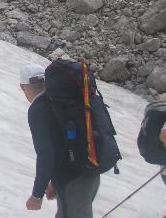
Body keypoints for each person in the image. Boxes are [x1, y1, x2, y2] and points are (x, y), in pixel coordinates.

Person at [20, 63, 100, 218]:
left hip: (73, 179)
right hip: (90, 171)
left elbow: (46, 155)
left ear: (23, 87)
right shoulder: (59, 101)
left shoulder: (39, 109)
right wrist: (54, 182)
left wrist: (37, 195)